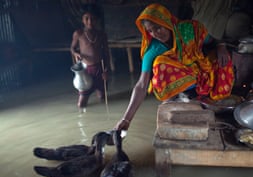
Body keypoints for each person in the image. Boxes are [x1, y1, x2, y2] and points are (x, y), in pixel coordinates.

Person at [114, 3, 234, 131]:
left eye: (158, 27)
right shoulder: (154, 50)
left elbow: (213, 40)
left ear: (167, 22)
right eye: (150, 30)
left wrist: (221, 47)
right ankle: (172, 99)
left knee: (223, 60)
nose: (155, 33)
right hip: (185, 82)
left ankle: (205, 94)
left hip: (202, 71)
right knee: (160, 64)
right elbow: (142, 84)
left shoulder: (189, 31)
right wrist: (126, 119)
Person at [70, 5, 110, 110]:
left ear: (96, 20)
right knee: (81, 104)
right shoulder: (79, 34)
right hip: (86, 71)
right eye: (86, 18)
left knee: (102, 98)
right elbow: (72, 48)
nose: (90, 21)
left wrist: (106, 70)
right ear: (82, 20)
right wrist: (76, 53)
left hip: (100, 69)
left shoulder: (102, 34)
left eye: (92, 18)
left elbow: (106, 52)